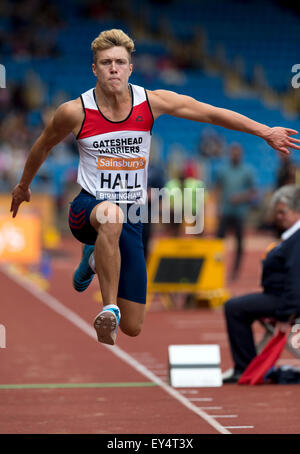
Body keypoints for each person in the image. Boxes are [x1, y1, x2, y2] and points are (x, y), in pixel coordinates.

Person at [10, 28, 300, 346]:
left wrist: (264, 132)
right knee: (110, 216)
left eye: (120, 62)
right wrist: (23, 185)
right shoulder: (75, 111)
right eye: (106, 62)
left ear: (131, 67)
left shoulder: (151, 103)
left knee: (134, 326)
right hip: (88, 209)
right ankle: (108, 309)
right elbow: (41, 146)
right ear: (94, 68)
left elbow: (211, 113)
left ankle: (93, 258)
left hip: (132, 215)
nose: (113, 68)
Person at [223, 185, 300, 383]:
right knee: (238, 305)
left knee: (234, 308)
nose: (278, 216)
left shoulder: (297, 238)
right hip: (280, 297)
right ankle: (247, 365)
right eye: (277, 212)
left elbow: (295, 278)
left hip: (285, 301)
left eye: (283, 212)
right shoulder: (291, 235)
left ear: (297, 211)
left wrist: (286, 315)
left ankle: (245, 367)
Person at [215, 143, 256, 280]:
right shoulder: (223, 170)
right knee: (219, 241)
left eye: (237, 153)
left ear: (241, 155)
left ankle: (235, 270)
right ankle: (216, 266)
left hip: (239, 212)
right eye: (233, 153)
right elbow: (218, 188)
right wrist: (216, 207)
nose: (235, 156)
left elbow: (253, 192)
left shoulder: (247, 171)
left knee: (239, 242)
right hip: (225, 211)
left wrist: (241, 197)